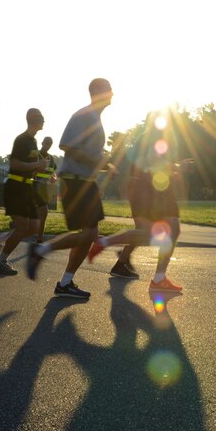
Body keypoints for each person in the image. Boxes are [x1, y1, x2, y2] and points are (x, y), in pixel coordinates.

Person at [86, 108, 192, 292]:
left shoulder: (147, 136)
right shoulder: (154, 137)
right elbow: (153, 161)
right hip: (150, 190)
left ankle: (117, 257)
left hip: (145, 188)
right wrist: (178, 166)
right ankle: (157, 278)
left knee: (150, 231)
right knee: (164, 230)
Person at [25, 79, 113, 298]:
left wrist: (102, 165)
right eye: (109, 89)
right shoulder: (84, 115)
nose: (113, 93)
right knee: (89, 234)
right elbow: (66, 145)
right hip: (75, 181)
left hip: (85, 181)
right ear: (99, 93)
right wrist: (97, 162)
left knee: (87, 234)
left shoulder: (95, 118)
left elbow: (87, 154)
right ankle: (40, 250)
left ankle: (65, 283)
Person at [0, 108, 47, 276]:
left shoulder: (34, 141)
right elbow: (14, 165)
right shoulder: (22, 140)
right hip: (15, 187)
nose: (44, 121)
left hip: (27, 187)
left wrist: (40, 170)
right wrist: (36, 165)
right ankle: (0, 262)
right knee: (22, 228)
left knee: (33, 227)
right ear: (34, 120)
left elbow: (29, 167)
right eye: (42, 118)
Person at [34, 136, 57, 244]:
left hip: (44, 190)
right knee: (40, 214)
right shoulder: (35, 155)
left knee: (43, 213)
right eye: (46, 143)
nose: (47, 145)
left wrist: (54, 178)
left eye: (49, 144)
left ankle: (39, 240)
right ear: (42, 142)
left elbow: (53, 172)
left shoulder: (51, 159)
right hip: (32, 187)